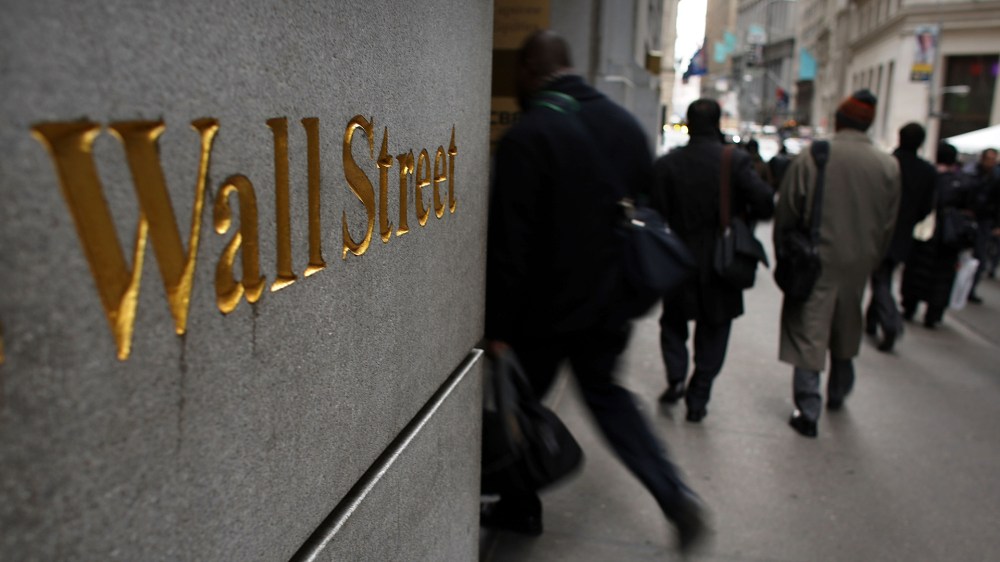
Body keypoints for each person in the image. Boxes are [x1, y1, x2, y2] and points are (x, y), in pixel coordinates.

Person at [482, 30, 707, 552]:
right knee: (610, 400)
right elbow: (644, 212)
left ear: (529, 71)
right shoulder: (625, 126)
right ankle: (674, 496)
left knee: (515, 411)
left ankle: (519, 506)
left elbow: (510, 248)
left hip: (542, 316)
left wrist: (498, 330)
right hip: (607, 305)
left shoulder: (527, 137)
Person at [774, 90, 900, 438]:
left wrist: (785, 250)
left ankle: (808, 407)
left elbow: (788, 210)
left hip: (816, 258)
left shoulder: (815, 156)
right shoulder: (887, 165)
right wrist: (873, 258)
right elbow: (889, 222)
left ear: (840, 120)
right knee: (846, 325)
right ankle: (839, 390)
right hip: (859, 260)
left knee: (809, 330)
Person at [650, 99, 774, 422]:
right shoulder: (734, 162)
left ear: (689, 124)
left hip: (677, 256)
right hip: (722, 259)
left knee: (673, 321)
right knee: (715, 328)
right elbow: (764, 203)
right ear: (718, 123)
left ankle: (676, 376)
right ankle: (699, 394)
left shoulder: (668, 164)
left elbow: (653, 212)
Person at [864, 123, 936, 352]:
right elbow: (927, 206)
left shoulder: (887, 164)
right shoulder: (925, 171)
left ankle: (888, 321)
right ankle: (872, 321)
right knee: (883, 276)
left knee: (880, 278)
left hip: (883, 229)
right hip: (902, 232)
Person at [901, 143, 978, 327]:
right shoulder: (961, 181)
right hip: (948, 237)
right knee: (942, 275)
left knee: (918, 270)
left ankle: (911, 307)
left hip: (927, 232)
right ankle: (933, 313)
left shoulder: (931, 176)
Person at [964, 148, 999, 302]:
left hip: (985, 220)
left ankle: (970, 289)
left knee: (980, 257)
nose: (992, 162)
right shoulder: (972, 173)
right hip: (969, 217)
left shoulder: (995, 177)